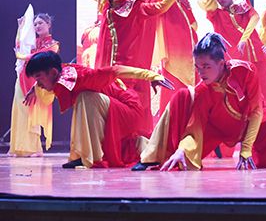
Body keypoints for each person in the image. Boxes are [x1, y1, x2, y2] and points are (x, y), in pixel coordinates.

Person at [132, 33, 266, 171]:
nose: (201, 72)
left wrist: (246, 149)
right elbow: (195, 126)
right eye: (198, 67)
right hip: (217, 129)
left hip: (249, 121)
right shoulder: (203, 90)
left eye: (206, 67)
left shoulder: (245, 71)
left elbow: (256, 111)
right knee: (182, 160)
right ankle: (150, 154)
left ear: (221, 64)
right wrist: (182, 149)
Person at [92, 0, 186, 135]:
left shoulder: (138, 2)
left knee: (129, 115)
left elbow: (161, 3)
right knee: (104, 114)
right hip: (105, 69)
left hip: (130, 68)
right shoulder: (108, 3)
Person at [23, 51, 172, 168]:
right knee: (84, 101)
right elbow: (49, 80)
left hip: (130, 111)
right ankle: (85, 155)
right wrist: (35, 88)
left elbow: (116, 70)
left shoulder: (83, 77)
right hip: (113, 107)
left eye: (39, 78)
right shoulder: (62, 74)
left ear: (54, 72)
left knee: (86, 98)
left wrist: (151, 75)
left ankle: (93, 157)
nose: (39, 84)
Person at [151, 0, 199, 122]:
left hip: (189, 52)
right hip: (169, 54)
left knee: (190, 94)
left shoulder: (182, 1)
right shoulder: (157, 1)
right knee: (171, 95)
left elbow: (194, 24)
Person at [10, 13, 59, 156]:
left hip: (39, 82)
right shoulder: (32, 42)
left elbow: (37, 57)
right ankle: (18, 147)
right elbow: (20, 47)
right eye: (35, 24)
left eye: (40, 23)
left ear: (48, 24)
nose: (37, 26)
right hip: (23, 78)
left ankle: (34, 148)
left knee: (33, 113)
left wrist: (22, 56)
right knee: (20, 111)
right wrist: (21, 28)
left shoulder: (53, 44)